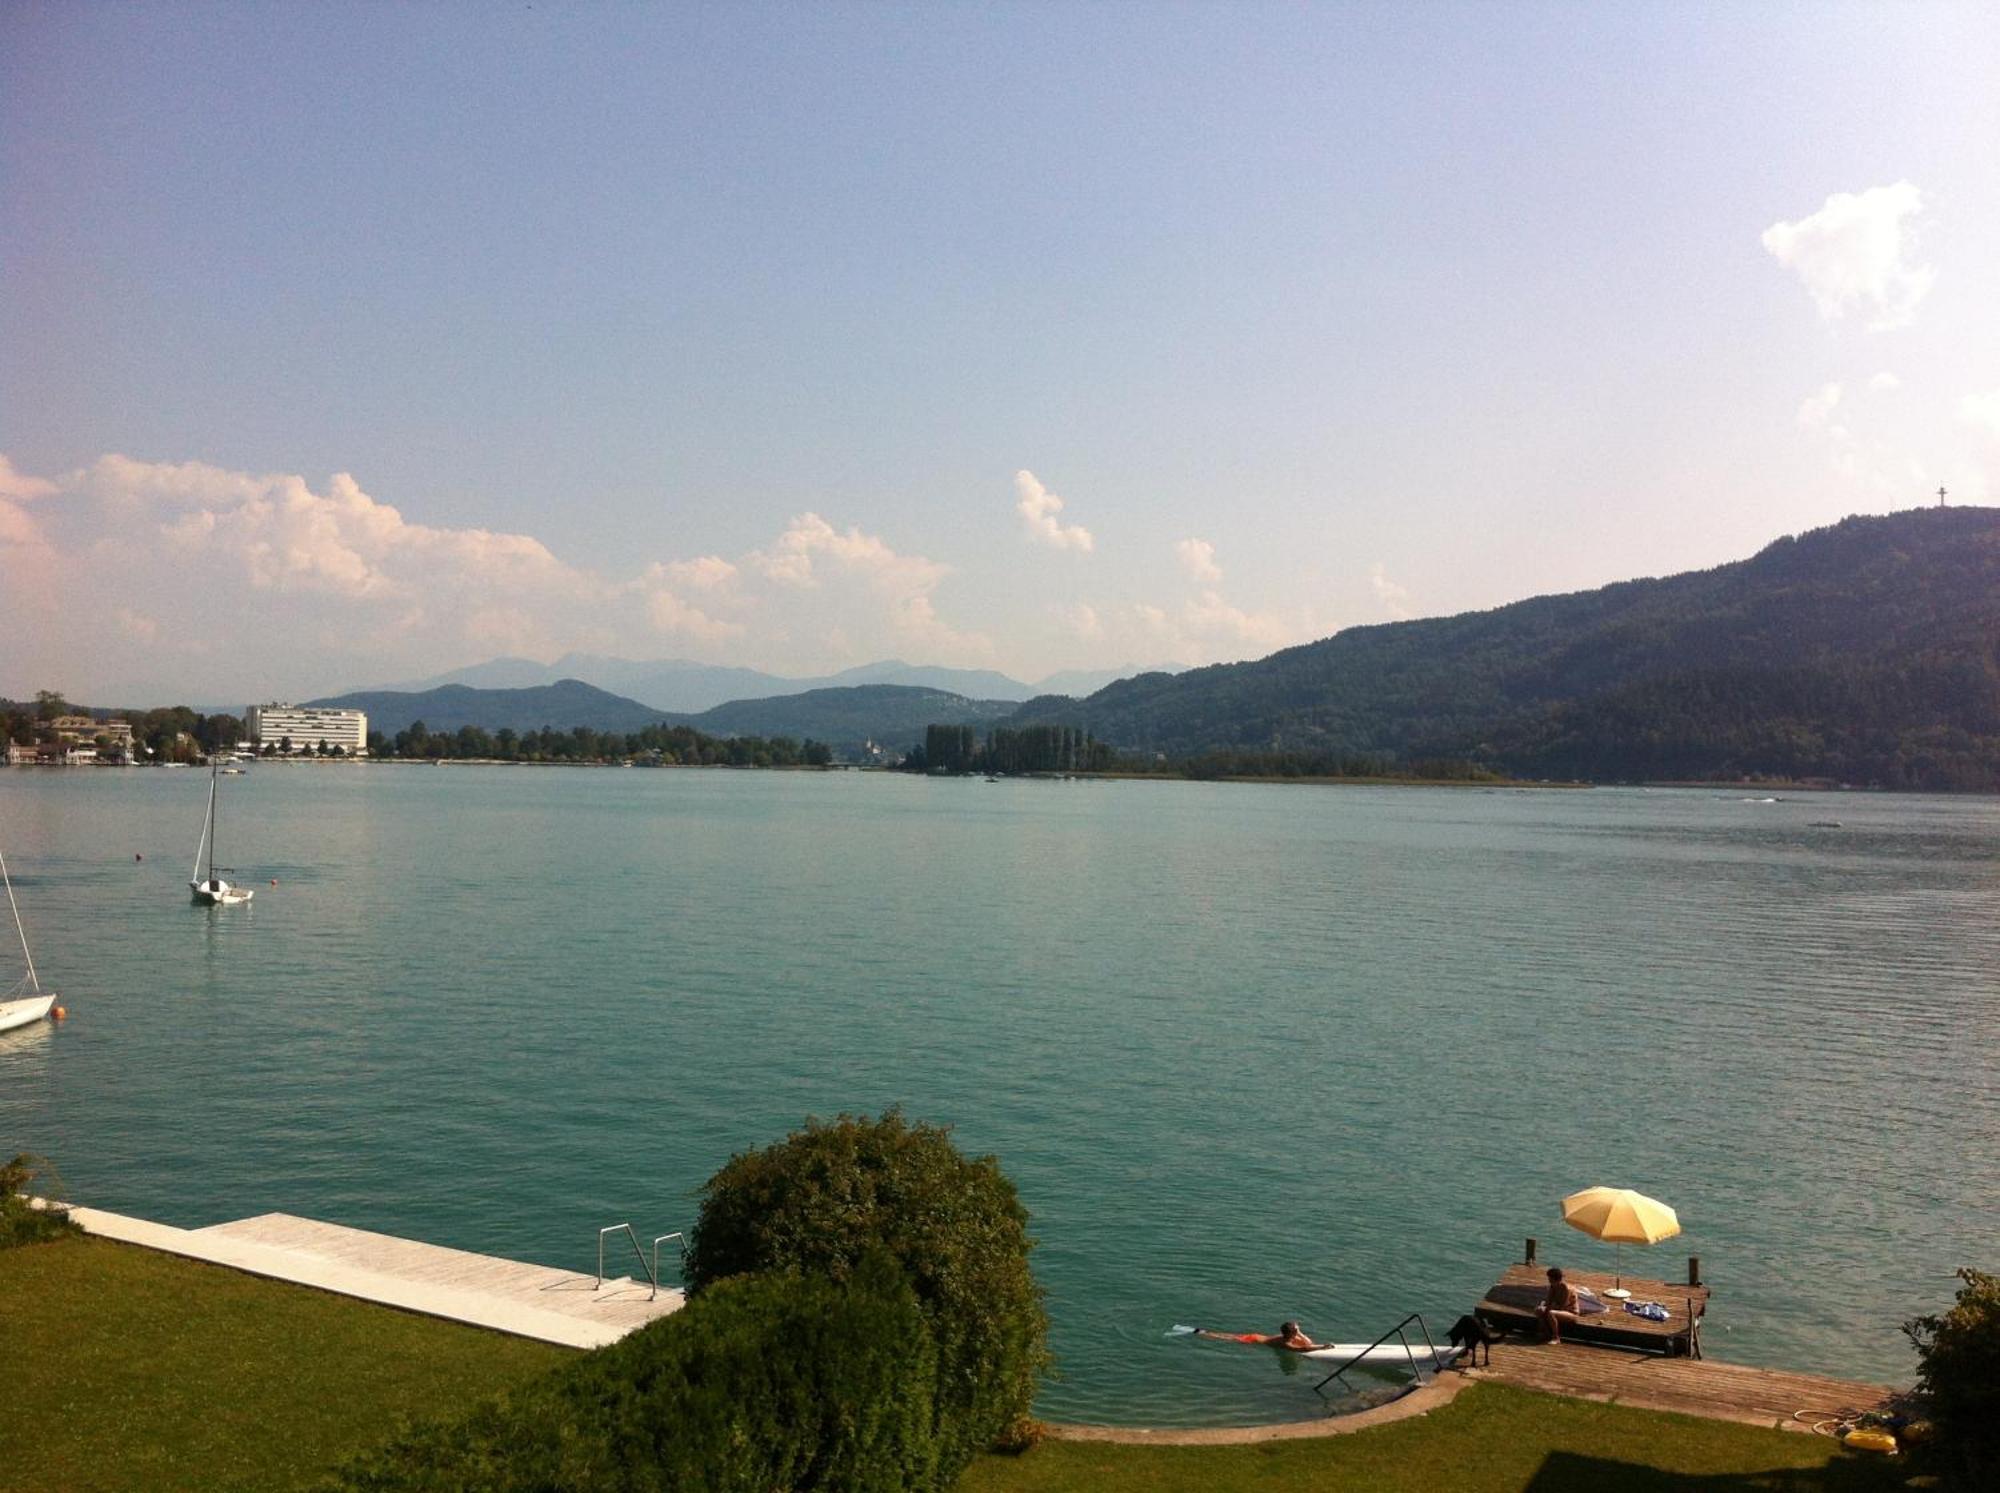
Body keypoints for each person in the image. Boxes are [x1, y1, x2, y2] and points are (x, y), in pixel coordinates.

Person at [1197, 1320, 1324, 1351]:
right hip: (1253, 1339)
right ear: (1291, 1333)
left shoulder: (1289, 1337)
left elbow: (1308, 1343)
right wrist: (1322, 1347)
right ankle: (1203, 1333)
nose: (1298, 1331)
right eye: (1296, 1330)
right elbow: (1304, 1348)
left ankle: (1203, 1332)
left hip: (1256, 1337)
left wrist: (1299, 1332)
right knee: (1227, 1338)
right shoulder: (1286, 1343)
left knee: (1229, 1336)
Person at [1537, 1267, 1582, 1343]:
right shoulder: (1553, 1286)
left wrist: (1549, 1307)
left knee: (1551, 1313)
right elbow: (1548, 1301)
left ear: (1555, 1279)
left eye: (1550, 1278)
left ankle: (1556, 1337)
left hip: (1571, 1313)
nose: (1549, 1280)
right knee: (1539, 1310)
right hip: (1558, 1310)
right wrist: (1542, 1307)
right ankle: (1546, 1333)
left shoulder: (1566, 1289)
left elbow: (1562, 1306)